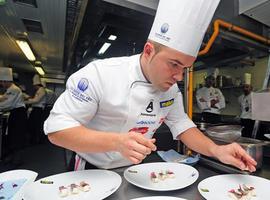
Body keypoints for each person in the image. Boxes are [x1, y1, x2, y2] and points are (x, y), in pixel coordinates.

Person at [44, 0, 256, 172]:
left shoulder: (171, 90)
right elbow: (57, 130)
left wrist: (216, 150)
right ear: (148, 51)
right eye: (174, 64)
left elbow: (182, 126)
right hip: (92, 169)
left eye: (185, 68)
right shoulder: (99, 74)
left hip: (134, 168)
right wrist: (116, 142)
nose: (179, 77)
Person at [0, 67, 28, 166]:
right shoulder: (10, 89)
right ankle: (13, 157)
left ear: (6, 81)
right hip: (15, 113)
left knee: (17, 136)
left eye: (2, 82)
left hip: (18, 114)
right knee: (12, 136)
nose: (1, 84)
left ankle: (17, 160)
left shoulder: (14, 90)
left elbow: (8, 103)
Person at [25, 74, 46, 144]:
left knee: (36, 125)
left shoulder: (41, 91)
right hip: (36, 109)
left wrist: (25, 101)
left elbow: (36, 100)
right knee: (33, 125)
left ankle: (36, 140)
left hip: (38, 110)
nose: (34, 87)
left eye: (34, 86)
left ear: (37, 85)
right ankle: (34, 139)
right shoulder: (39, 90)